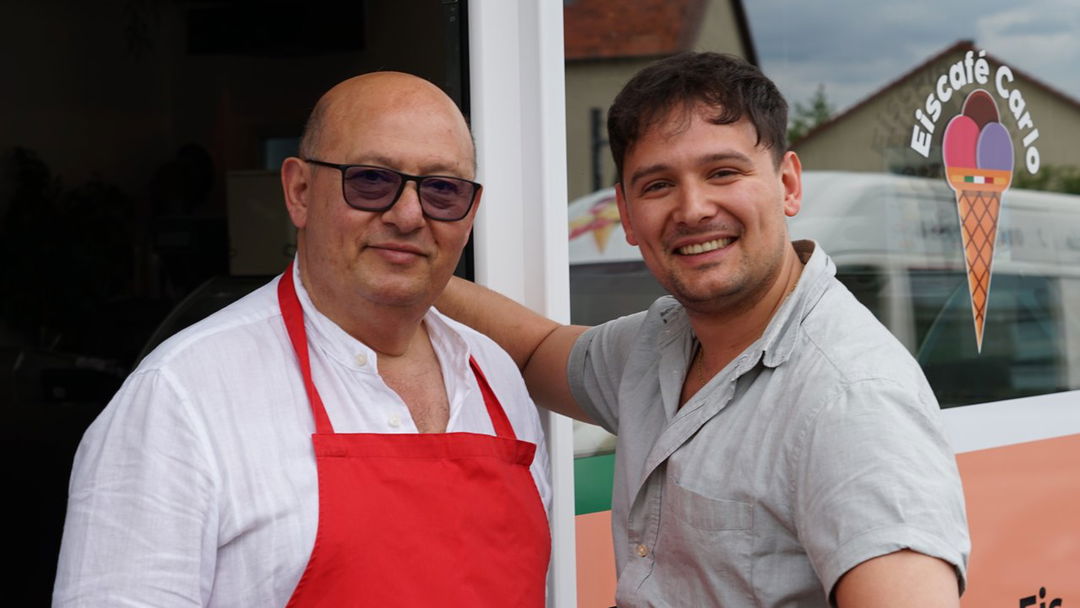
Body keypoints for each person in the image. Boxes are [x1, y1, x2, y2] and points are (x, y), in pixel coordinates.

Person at [437, 52, 970, 606]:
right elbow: (534, 350)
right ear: (626, 214)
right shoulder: (662, 342)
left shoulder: (851, 397)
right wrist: (408, 267)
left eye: (723, 172)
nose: (693, 209)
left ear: (787, 184)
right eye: (658, 185)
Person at [53, 72, 551, 607]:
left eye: (443, 189)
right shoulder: (180, 397)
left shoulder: (495, 377)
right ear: (299, 192)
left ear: (470, 213)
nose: (409, 215)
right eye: (371, 179)